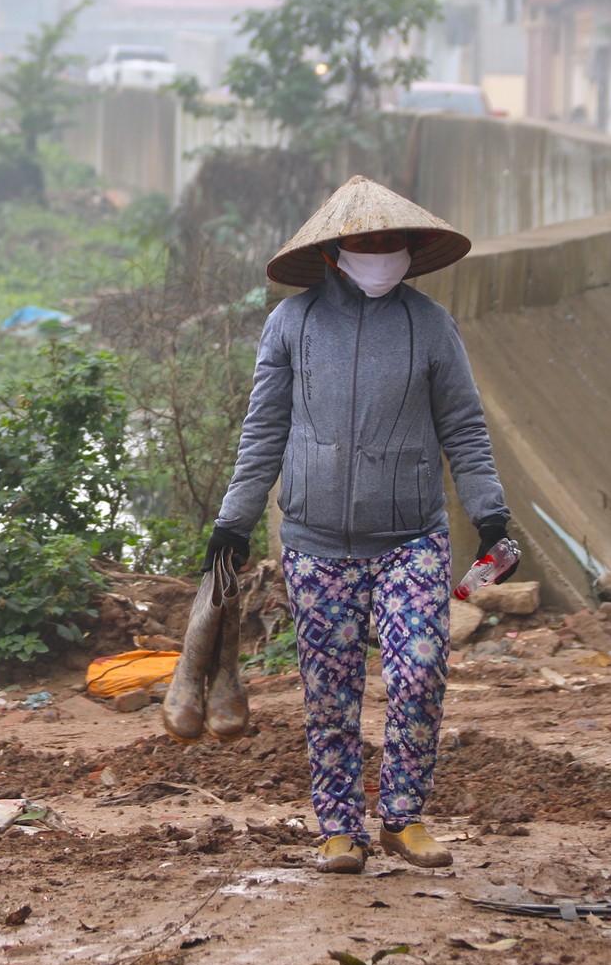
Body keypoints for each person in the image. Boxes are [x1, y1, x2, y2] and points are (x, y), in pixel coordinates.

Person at [205, 176, 513, 875]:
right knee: (329, 692)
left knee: (420, 671)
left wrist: (490, 514)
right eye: (367, 242)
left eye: (391, 242)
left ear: (410, 250)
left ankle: (403, 817)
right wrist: (233, 523)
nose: (381, 252)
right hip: (316, 543)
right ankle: (339, 827)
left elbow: (463, 427)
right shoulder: (293, 324)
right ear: (336, 251)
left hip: (411, 538)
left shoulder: (430, 325)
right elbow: (263, 431)